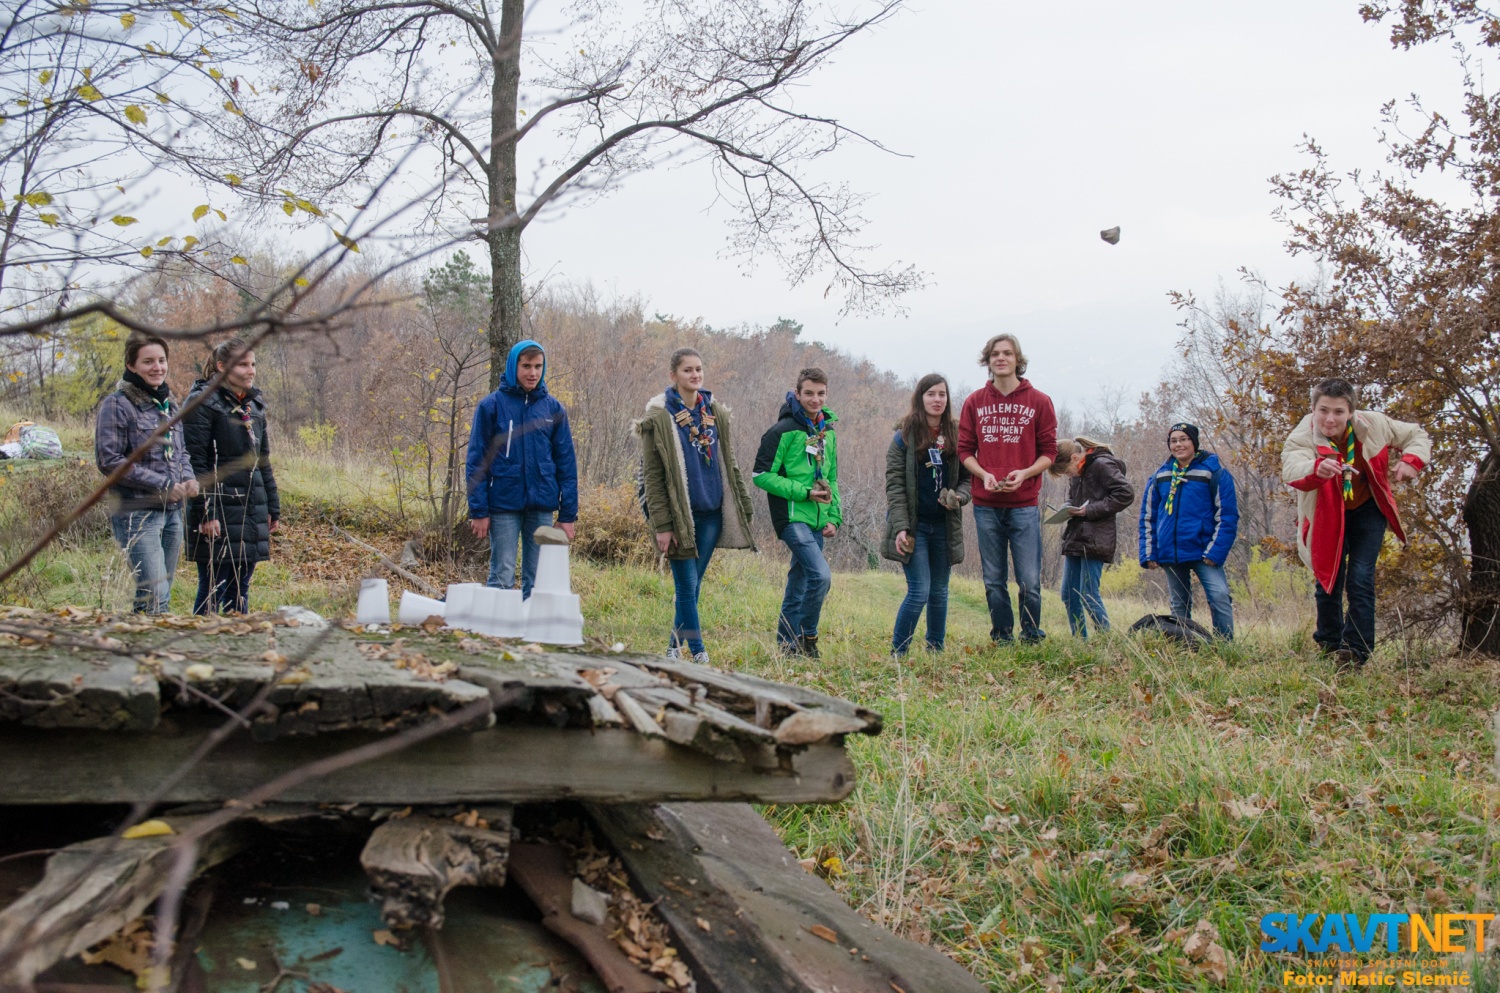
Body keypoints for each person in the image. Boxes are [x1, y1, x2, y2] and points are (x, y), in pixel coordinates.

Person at [1281, 378, 1430, 669]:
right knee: (1328, 579)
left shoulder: (1374, 424)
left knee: (1360, 578)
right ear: (1313, 409)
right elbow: (1291, 468)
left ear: (1351, 412)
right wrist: (1315, 468)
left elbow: (1416, 434)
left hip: (1367, 510)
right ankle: (1329, 643)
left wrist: (1412, 460)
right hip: (1327, 513)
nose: (1329, 419)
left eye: (1338, 411)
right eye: (1323, 410)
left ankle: (1356, 652)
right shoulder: (1303, 434)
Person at [635, 348, 756, 663]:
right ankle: (700, 652)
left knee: (693, 585)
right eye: (687, 370)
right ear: (673, 375)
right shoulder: (659, 416)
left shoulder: (714, 411)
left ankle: (673, 648)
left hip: (711, 514)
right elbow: (652, 478)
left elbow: (729, 464)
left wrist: (741, 503)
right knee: (686, 585)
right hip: (680, 517)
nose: (695, 375)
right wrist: (662, 525)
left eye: (699, 369)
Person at [957, 333, 1058, 644]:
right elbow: (964, 450)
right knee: (993, 580)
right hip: (986, 504)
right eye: (995, 354)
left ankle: (1031, 636)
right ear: (987, 361)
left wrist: (1026, 472)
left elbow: (1049, 452)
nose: (1001, 358)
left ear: (1018, 360)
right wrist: (983, 473)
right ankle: (1002, 636)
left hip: (1024, 504)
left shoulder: (1039, 401)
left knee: (1029, 579)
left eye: (1007, 353)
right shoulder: (974, 401)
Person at [466, 339, 578, 597]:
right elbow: (476, 461)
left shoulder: (553, 409)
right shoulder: (491, 406)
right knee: (502, 575)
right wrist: (479, 510)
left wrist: (568, 514)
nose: (533, 373)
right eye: (526, 366)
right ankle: (497, 635)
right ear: (513, 366)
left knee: (538, 578)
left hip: (541, 506)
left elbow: (566, 464)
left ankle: (530, 635)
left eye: (538, 366)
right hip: (503, 505)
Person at [95, 334, 199, 613]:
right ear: (131, 365)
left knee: (157, 595)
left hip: (172, 512)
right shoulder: (117, 404)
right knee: (155, 594)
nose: (157, 367)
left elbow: (182, 453)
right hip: (136, 513)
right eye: (148, 361)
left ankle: (144, 651)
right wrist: (163, 484)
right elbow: (110, 461)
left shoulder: (169, 404)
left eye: (162, 361)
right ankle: (152, 651)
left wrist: (187, 477)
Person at [184, 339, 279, 614]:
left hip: (251, 509)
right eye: (243, 365)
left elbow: (263, 461)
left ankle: (240, 647)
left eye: (253, 364)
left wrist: (272, 506)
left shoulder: (255, 406)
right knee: (215, 586)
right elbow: (196, 462)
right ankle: (203, 643)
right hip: (220, 510)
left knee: (241, 588)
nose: (251, 371)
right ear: (222, 367)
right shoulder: (203, 402)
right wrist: (205, 512)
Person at [754, 368, 841, 658]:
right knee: (821, 576)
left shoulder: (827, 432)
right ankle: (808, 637)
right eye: (808, 393)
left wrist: (833, 516)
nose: (815, 399)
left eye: (820, 393)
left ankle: (786, 645)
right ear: (797, 393)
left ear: (826, 394)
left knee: (799, 582)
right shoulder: (782, 431)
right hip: (792, 516)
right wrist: (803, 493)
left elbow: (833, 478)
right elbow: (760, 475)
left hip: (817, 517)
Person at [882, 374, 971, 656]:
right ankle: (899, 653)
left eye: (942, 394)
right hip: (914, 528)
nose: (937, 400)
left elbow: (969, 479)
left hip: (944, 526)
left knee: (939, 592)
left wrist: (959, 496)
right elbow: (894, 486)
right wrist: (900, 528)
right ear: (920, 398)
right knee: (919, 591)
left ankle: (935, 651)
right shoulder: (904, 436)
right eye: (931, 394)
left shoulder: (958, 434)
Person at [1139, 422, 1238, 639]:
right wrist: (1148, 553)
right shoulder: (1160, 476)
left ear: (1194, 442)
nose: (1178, 445)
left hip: (1204, 551)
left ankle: (1224, 646)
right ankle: (1184, 645)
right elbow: (1148, 518)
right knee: (1178, 604)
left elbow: (1228, 516)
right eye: (1173, 441)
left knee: (1219, 596)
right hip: (1171, 552)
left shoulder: (1214, 472)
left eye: (1183, 439)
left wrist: (1215, 552)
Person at [1046, 436, 1134, 639]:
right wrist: (1068, 507)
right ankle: (1080, 641)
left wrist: (1089, 511)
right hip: (1075, 536)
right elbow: (1076, 498)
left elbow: (1126, 494)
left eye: (1067, 471)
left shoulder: (1102, 465)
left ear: (1075, 458)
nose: (1069, 475)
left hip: (1096, 538)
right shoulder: (1079, 472)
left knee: (1088, 594)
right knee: (1068, 594)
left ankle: (1107, 641)